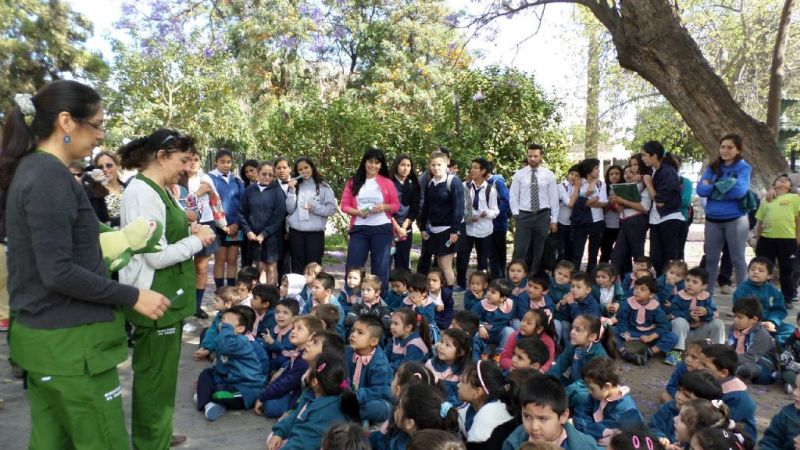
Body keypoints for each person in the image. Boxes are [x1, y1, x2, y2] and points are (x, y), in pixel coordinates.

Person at [2, 80, 171, 449]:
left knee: (51, 441)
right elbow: (58, 271)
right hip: (71, 348)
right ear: (66, 121)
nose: (100, 135)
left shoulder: (36, 172)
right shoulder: (48, 176)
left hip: (49, 346)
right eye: (95, 124)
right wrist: (132, 295)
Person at [118, 128, 216, 448]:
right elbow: (155, 256)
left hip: (168, 298)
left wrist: (189, 224)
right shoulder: (142, 192)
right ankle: (150, 441)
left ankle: (158, 430)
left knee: (162, 376)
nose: (187, 168)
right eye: (182, 160)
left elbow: (165, 231)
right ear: (161, 157)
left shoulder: (161, 189)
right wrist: (196, 239)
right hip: (154, 298)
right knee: (153, 377)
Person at [697, 134, 752, 293]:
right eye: (723, 147)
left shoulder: (743, 167)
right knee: (711, 260)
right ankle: (706, 299)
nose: (725, 150)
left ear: (738, 150)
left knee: (738, 260)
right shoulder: (712, 167)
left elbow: (740, 191)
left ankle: (742, 302)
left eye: (730, 147)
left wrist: (712, 186)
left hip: (736, 219)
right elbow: (701, 190)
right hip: (713, 219)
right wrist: (724, 186)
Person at [341, 147, 400, 296]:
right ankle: (351, 299)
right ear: (364, 162)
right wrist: (358, 212)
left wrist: (384, 207)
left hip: (382, 228)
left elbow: (395, 206)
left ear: (381, 165)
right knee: (353, 267)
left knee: (380, 268)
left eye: (377, 163)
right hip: (359, 229)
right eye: (370, 162)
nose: (373, 165)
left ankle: (380, 302)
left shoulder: (387, 183)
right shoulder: (353, 182)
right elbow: (344, 205)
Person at [510, 143, 559, 275]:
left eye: (535, 156)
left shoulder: (548, 175)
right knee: (520, 249)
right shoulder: (519, 175)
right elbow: (513, 196)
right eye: (530, 156)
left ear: (541, 157)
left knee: (540, 249)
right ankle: (517, 277)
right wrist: (516, 214)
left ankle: (534, 277)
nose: (532, 159)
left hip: (542, 215)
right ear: (527, 156)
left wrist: (554, 220)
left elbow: (554, 198)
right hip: (524, 215)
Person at [420, 150, 466, 288]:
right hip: (434, 229)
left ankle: (449, 297)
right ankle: (443, 294)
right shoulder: (431, 183)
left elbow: (459, 207)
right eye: (433, 165)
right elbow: (426, 207)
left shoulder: (453, 181)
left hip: (449, 229)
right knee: (440, 263)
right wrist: (423, 227)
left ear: (446, 165)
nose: (436, 168)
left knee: (446, 265)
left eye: (439, 164)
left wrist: (455, 230)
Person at [239, 161, 287, 285]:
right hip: (254, 236)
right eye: (264, 174)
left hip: (272, 237)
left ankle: (272, 295)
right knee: (259, 266)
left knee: (271, 266)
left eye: (270, 175)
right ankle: (260, 296)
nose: (267, 177)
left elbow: (279, 216)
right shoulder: (249, 191)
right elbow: (242, 212)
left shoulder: (278, 192)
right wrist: (248, 231)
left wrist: (264, 233)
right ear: (258, 173)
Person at [641, 141, 684, 276]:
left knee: (669, 258)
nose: (643, 158)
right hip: (656, 219)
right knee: (656, 257)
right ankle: (662, 286)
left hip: (669, 218)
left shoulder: (667, 171)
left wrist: (648, 184)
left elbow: (660, 201)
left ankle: (673, 288)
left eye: (645, 155)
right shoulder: (654, 170)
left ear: (654, 155)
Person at [286, 157, 337, 273]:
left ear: (312, 168)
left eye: (306, 167)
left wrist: (315, 208)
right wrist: (292, 190)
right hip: (296, 233)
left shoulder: (323, 186)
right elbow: (289, 209)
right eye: (300, 169)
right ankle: (298, 291)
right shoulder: (295, 186)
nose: (303, 171)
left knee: (313, 267)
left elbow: (331, 209)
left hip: (315, 234)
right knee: (297, 265)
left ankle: (314, 290)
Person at [456, 158, 499, 290]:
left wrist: (486, 213)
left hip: (484, 229)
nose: (472, 170)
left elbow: (495, 210)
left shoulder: (490, 190)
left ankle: (482, 286)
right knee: (462, 257)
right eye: (471, 167)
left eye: (475, 168)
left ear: (483, 171)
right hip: (468, 228)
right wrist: (468, 217)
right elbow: (459, 206)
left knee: (482, 260)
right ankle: (461, 283)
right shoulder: (465, 186)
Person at [186, 150, 220, 318]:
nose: (193, 162)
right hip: (184, 224)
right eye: (189, 159)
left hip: (205, 223)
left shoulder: (205, 179)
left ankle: (196, 306)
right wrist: (198, 193)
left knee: (201, 267)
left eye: (196, 159)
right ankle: (183, 302)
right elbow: (182, 202)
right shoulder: (177, 179)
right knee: (184, 267)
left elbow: (215, 199)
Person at [456, 361, 517, 449]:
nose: (458, 385)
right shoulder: (475, 406)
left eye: (462, 382)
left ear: (477, 392)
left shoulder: (486, 419)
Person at [208, 149, 245, 287]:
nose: (226, 165)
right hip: (218, 226)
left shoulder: (236, 180)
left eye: (229, 162)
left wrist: (237, 223)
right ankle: (220, 290)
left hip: (235, 227)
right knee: (220, 259)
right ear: (216, 162)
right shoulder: (210, 179)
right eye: (222, 162)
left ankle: (230, 289)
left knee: (232, 259)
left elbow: (242, 203)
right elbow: (210, 204)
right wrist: (221, 225)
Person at [609, 164, 651, 277]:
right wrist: (617, 203)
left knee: (637, 255)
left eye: (630, 172)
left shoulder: (644, 186)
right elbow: (618, 208)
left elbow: (645, 208)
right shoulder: (622, 187)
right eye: (625, 172)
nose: (627, 174)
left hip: (637, 221)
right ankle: (620, 284)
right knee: (617, 255)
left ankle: (642, 281)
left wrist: (624, 202)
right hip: (624, 221)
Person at [570, 158, 607, 273]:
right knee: (577, 253)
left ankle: (591, 278)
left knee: (593, 254)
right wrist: (589, 201)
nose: (598, 171)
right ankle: (574, 278)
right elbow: (575, 202)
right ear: (588, 169)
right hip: (581, 222)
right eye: (596, 168)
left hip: (597, 221)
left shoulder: (601, 184)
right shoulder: (579, 182)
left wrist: (586, 202)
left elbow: (604, 202)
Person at [390, 153, 421, 271]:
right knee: (385, 261)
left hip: (405, 228)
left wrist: (403, 227)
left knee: (402, 263)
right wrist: (397, 227)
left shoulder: (413, 184)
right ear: (397, 166)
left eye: (408, 165)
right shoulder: (389, 183)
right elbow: (386, 209)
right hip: (389, 226)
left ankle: (401, 288)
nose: (405, 168)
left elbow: (414, 208)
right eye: (403, 165)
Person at [89, 150, 127, 227]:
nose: (105, 169)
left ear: (118, 166)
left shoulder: (127, 188)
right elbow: (97, 223)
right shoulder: (94, 194)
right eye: (100, 167)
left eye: (109, 165)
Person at [487, 162, 512, 280]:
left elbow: (506, 201)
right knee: (492, 253)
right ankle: (495, 276)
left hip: (498, 224)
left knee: (498, 252)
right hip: (487, 225)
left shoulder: (497, 182)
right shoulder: (482, 183)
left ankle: (499, 278)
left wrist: (494, 215)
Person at [600, 164, 623, 263]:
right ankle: (601, 275)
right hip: (607, 226)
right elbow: (602, 211)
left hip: (622, 225)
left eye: (617, 173)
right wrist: (610, 202)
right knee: (605, 252)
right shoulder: (603, 189)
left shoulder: (626, 188)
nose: (614, 176)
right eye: (611, 174)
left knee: (621, 254)